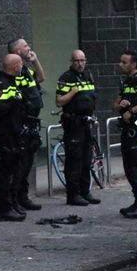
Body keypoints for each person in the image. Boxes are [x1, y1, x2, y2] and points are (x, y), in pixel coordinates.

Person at [0, 54, 27, 222]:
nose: (22, 67)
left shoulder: (13, 83)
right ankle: (5, 208)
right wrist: (15, 101)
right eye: (21, 64)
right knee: (7, 171)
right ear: (15, 66)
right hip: (5, 134)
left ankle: (14, 202)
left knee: (16, 170)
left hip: (15, 132)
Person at [56, 49, 100, 206]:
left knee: (86, 159)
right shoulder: (66, 78)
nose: (80, 63)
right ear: (72, 62)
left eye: (83, 60)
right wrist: (73, 92)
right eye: (77, 61)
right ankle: (73, 195)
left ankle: (85, 192)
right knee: (74, 160)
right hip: (73, 124)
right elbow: (59, 101)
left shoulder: (88, 76)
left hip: (86, 123)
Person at [7, 38, 45, 212]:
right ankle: (14, 200)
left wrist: (35, 60)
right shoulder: (14, 73)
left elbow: (41, 78)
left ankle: (23, 197)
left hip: (31, 124)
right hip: (20, 125)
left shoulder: (26, 71)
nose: (29, 47)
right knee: (19, 165)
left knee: (28, 163)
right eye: (25, 46)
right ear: (16, 52)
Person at [113, 51, 137, 219]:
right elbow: (115, 105)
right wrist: (121, 105)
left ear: (134, 64)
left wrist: (131, 110)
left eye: (124, 62)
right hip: (127, 130)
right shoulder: (125, 81)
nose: (121, 65)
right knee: (129, 167)